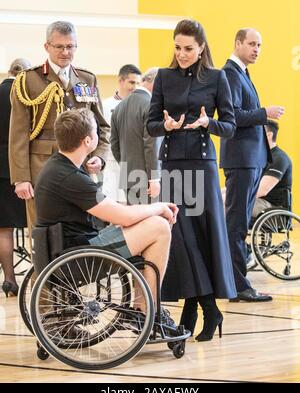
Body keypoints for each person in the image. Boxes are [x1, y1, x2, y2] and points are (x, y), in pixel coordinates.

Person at [34, 108, 178, 326]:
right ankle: (151, 310)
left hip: (66, 247)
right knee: (159, 227)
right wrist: (158, 206)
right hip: (78, 256)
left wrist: (144, 212)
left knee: (147, 221)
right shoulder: (70, 177)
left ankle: (143, 307)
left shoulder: (58, 166)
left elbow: (113, 210)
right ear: (88, 141)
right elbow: (125, 218)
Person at [147, 19, 237, 341]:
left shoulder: (217, 77)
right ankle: (209, 310)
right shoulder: (163, 77)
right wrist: (166, 127)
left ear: (201, 48)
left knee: (199, 239)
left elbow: (230, 125)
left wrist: (207, 123)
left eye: (188, 49)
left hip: (202, 166)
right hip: (171, 165)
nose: (182, 54)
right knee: (181, 240)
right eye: (177, 47)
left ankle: (192, 311)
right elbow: (151, 124)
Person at [8, 21, 109, 233]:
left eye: (70, 46)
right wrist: (21, 178)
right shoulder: (28, 80)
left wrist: (99, 156)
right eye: (59, 46)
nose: (65, 52)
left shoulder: (87, 79)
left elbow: (102, 126)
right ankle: (44, 268)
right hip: (41, 167)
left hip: (80, 168)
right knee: (43, 231)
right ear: (47, 47)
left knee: (81, 226)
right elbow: (17, 134)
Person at [221, 28, 285, 302]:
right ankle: (237, 285)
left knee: (240, 223)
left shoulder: (242, 73)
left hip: (250, 159)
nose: (256, 49)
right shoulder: (230, 73)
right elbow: (232, 114)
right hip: (242, 159)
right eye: (251, 44)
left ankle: (236, 282)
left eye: (259, 44)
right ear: (237, 44)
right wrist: (264, 113)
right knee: (236, 224)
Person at [0, 58, 31, 297]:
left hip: (1, 168)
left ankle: (10, 279)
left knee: (4, 229)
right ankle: (41, 278)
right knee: (37, 224)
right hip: (26, 167)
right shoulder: (28, 94)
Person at [110, 67, 161, 205]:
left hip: (128, 177)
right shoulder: (152, 106)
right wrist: (154, 178)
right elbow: (152, 145)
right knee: (153, 224)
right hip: (148, 182)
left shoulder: (119, 107)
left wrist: (127, 165)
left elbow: (114, 144)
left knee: (135, 224)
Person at [102, 64, 142, 200]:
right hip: (111, 164)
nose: (135, 87)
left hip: (135, 167)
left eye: (138, 83)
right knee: (113, 208)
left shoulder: (142, 106)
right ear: (121, 81)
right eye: (132, 82)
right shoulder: (105, 105)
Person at [252, 120, 292, 217]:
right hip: (258, 202)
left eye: (258, 132)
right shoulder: (260, 157)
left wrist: (235, 198)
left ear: (269, 135)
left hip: (271, 207)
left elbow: (262, 190)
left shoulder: (279, 158)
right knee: (219, 198)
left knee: (228, 204)